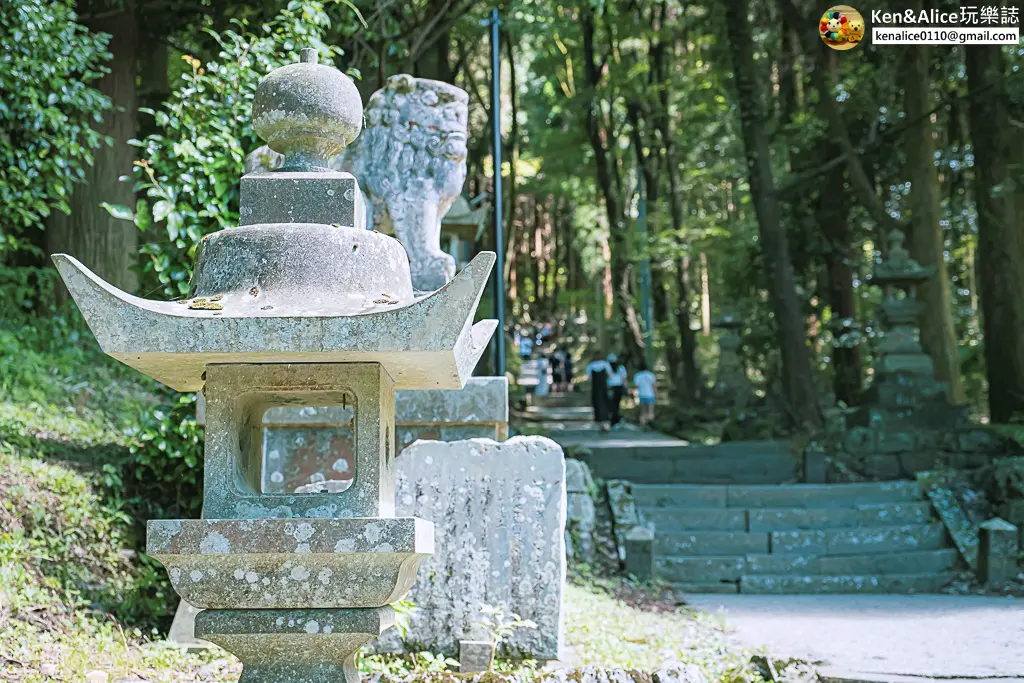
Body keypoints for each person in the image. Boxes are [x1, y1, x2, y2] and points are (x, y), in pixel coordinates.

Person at [585, 354, 612, 431]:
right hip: (604, 387)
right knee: (605, 403)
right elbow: (610, 375)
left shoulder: (590, 366)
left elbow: (589, 378)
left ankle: (599, 423)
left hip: (595, 388)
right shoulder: (605, 364)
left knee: (597, 404)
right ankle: (606, 423)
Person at [606, 353, 628, 429]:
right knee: (616, 405)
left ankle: (614, 420)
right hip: (617, 387)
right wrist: (625, 388)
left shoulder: (608, 367)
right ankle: (615, 420)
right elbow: (624, 379)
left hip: (611, 388)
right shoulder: (621, 368)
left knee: (612, 404)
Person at [633, 363, 657, 427]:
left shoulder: (637, 375)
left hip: (641, 394)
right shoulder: (650, 375)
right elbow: (654, 386)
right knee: (650, 410)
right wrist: (655, 394)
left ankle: (644, 424)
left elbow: (636, 386)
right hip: (650, 395)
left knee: (643, 411)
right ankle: (650, 424)